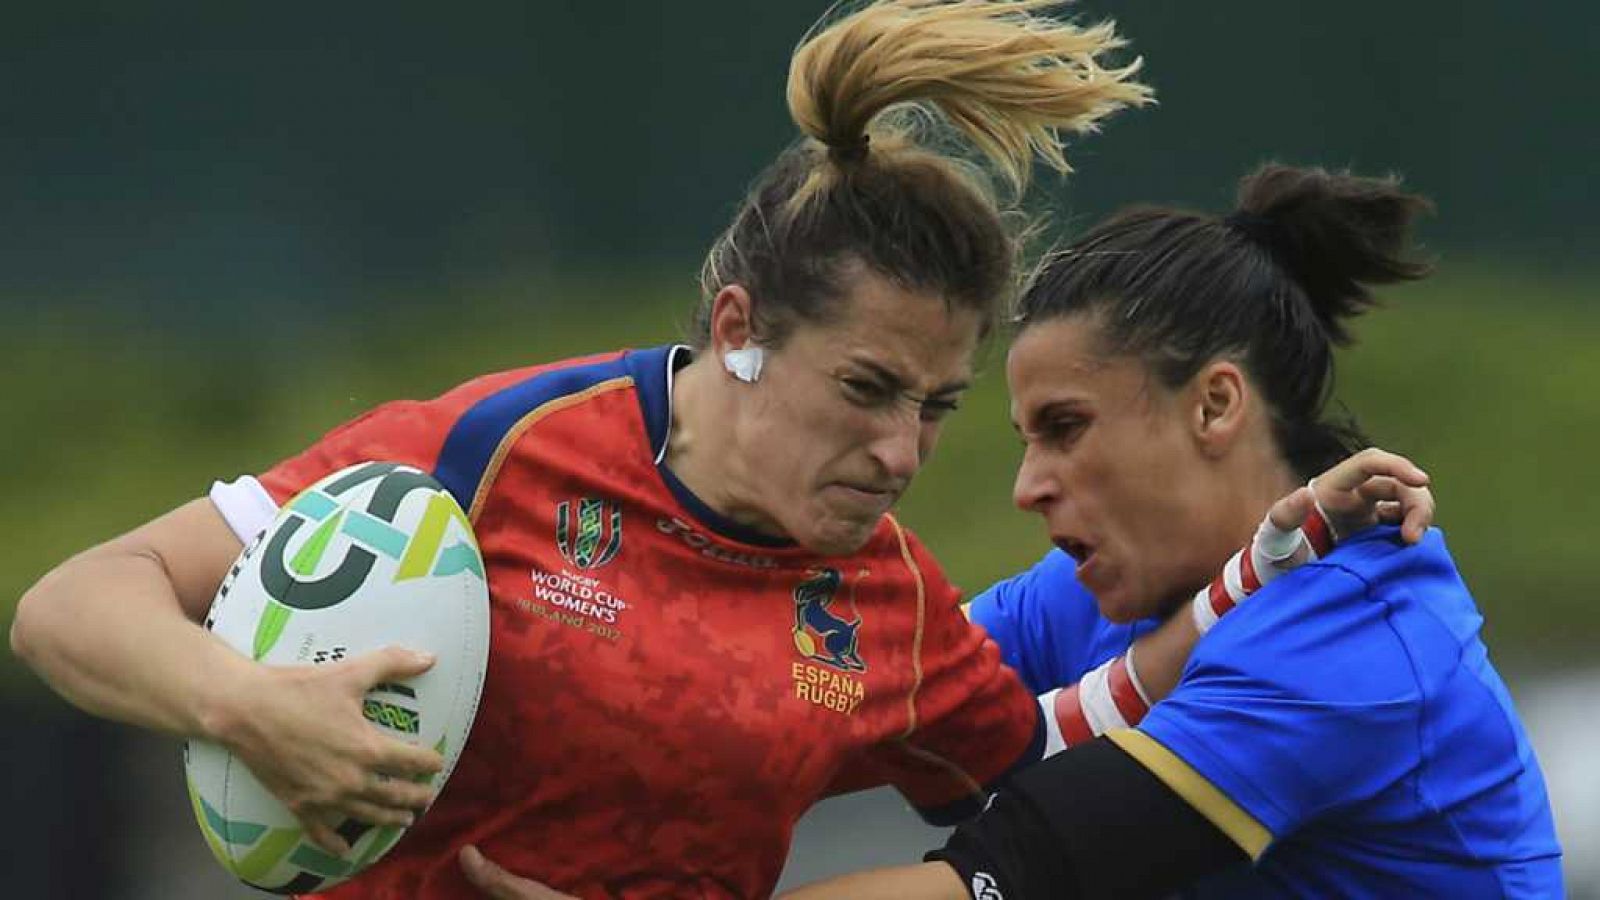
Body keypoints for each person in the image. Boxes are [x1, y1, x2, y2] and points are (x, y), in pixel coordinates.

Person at [7, 3, 1424, 897]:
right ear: (740, 327)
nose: (900, 451)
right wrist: (247, 709)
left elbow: (1041, 744)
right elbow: (72, 606)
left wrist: (1265, 560)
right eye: (867, 388)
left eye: (935, 405)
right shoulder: (497, 450)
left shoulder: (884, 598)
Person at [781, 166, 1564, 898]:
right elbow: (828, 699)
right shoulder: (1095, 589)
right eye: (1028, 439)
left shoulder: (1353, 645)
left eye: (1066, 427)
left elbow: (1009, 873)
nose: (1028, 487)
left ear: (1216, 406)